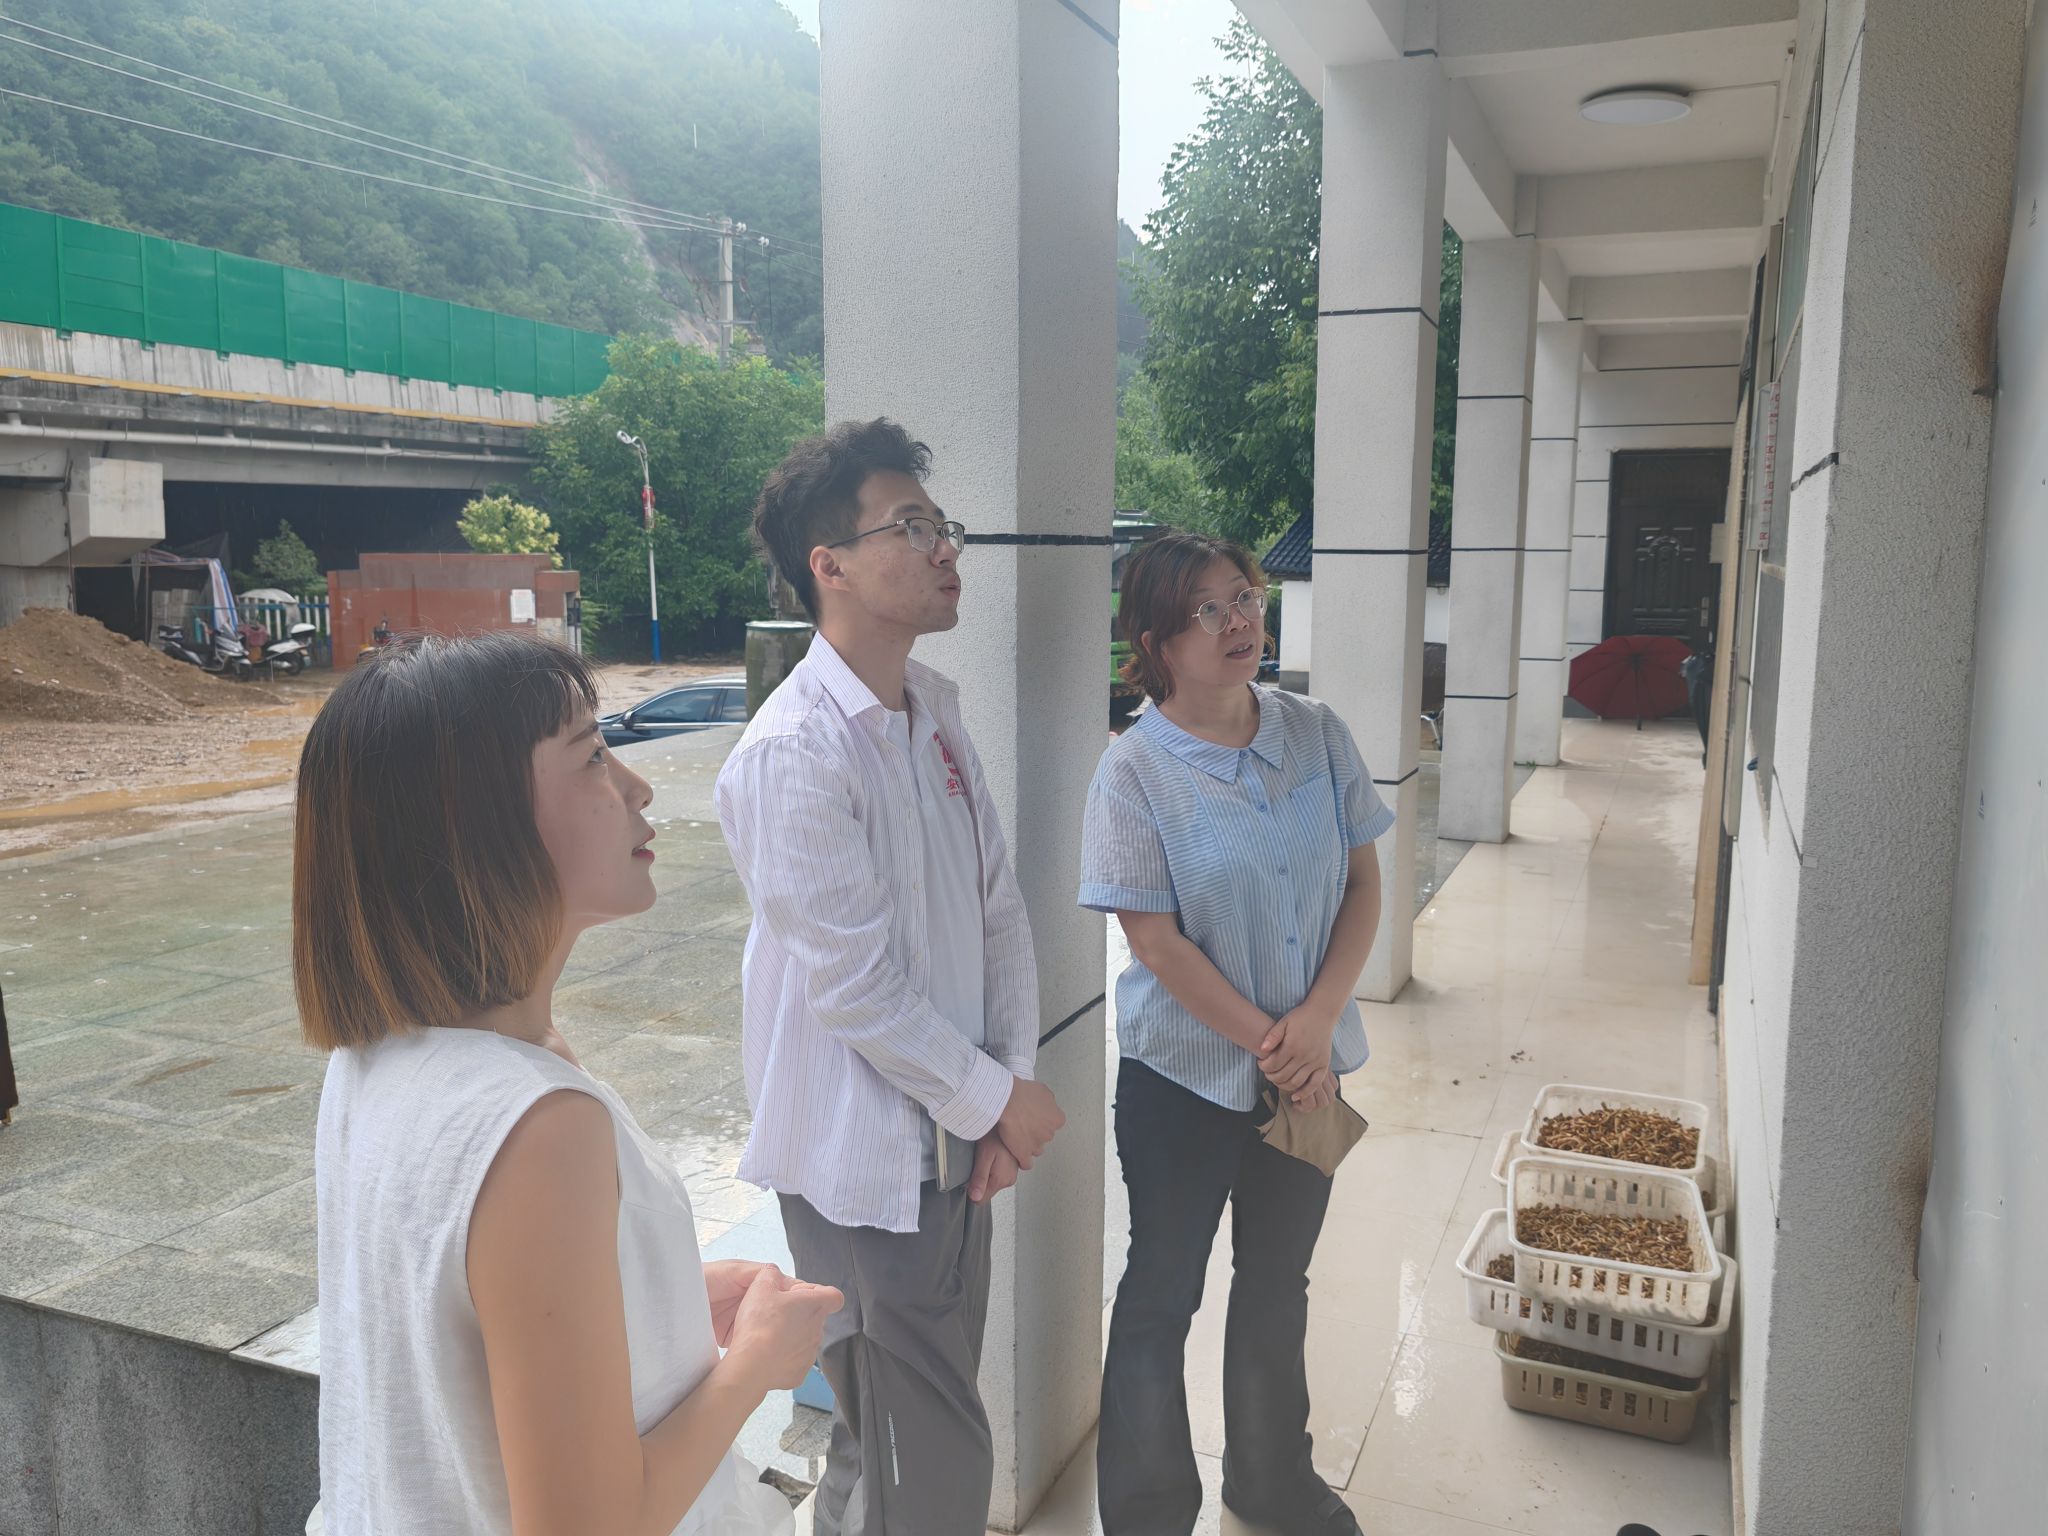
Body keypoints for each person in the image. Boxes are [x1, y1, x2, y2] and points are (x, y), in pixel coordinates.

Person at [295, 631, 841, 1536]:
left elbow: (454, 1319)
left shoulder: (375, 1056)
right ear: (475, 824)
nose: (636, 786)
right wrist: (756, 1364)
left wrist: (666, 1294)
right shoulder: (538, 1122)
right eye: (591, 755)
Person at [717, 419, 1065, 1536]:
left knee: (902, 1459)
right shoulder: (792, 753)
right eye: (911, 527)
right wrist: (995, 1100)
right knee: (924, 1468)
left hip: (955, 1145)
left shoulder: (934, 713)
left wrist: (1007, 1090)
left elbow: (997, 912)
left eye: (940, 525)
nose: (944, 547)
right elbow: (855, 987)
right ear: (829, 565)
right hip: (864, 1171)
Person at [1079, 533, 1393, 1536]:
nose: (1241, 621)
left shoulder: (1315, 732)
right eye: (1208, 610)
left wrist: (1318, 1022)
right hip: (1182, 1081)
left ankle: (1271, 1482)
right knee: (1160, 1292)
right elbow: (1155, 942)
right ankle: (1146, 1514)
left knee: (1275, 1283)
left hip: (1308, 1068)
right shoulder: (1132, 771)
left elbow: (1362, 883)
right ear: (1155, 642)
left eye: (1245, 597)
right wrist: (1277, 1043)